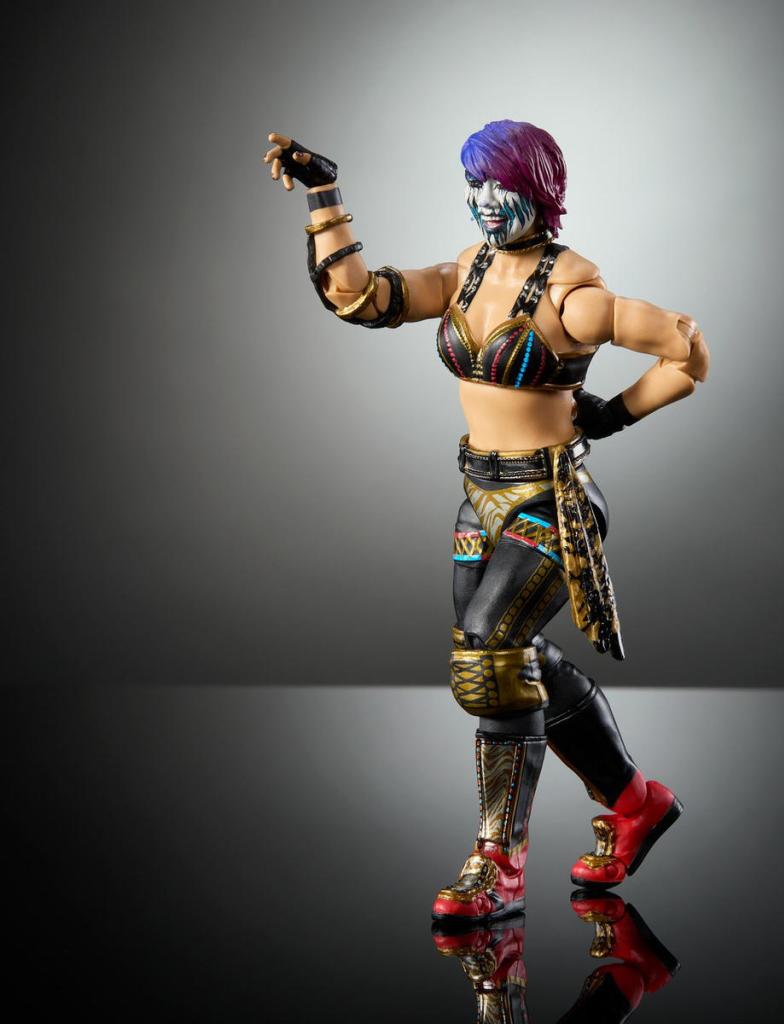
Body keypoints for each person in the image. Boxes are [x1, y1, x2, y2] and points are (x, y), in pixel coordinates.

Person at [261, 119, 709, 924]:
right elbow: (359, 298)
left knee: (489, 660)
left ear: (539, 190)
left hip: (550, 501)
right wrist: (325, 191)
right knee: (507, 659)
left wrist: (613, 414)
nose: (487, 202)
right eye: (474, 185)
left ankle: (498, 862)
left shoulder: (575, 295)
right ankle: (635, 802)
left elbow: (686, 347)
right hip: (481, 496)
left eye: (502, 186)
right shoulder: (466, 273)